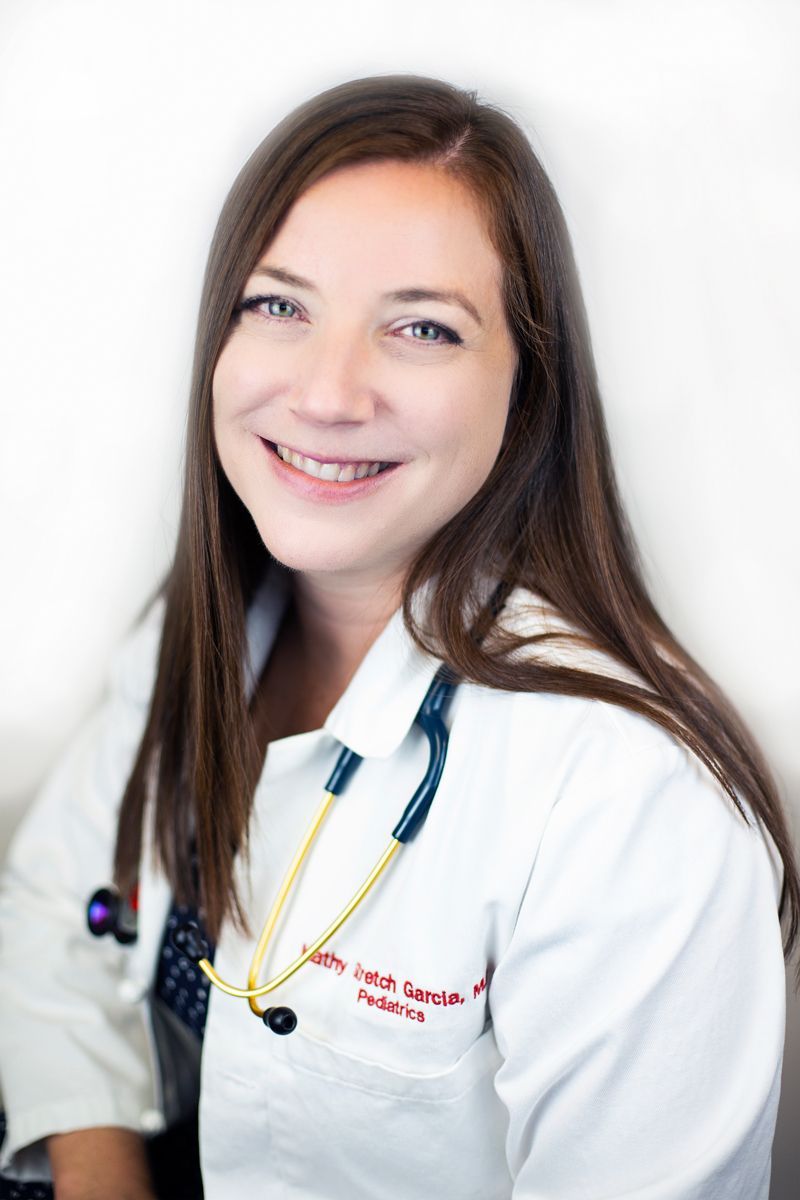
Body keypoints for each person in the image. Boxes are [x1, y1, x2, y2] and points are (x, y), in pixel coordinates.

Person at [0, 72, 795, 1200]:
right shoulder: (205, 628)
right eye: (277, 305)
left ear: (527, 389)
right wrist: (99, 1171)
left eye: (421, 328)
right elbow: (54, 919)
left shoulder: (627, 797)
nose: (327, 392)